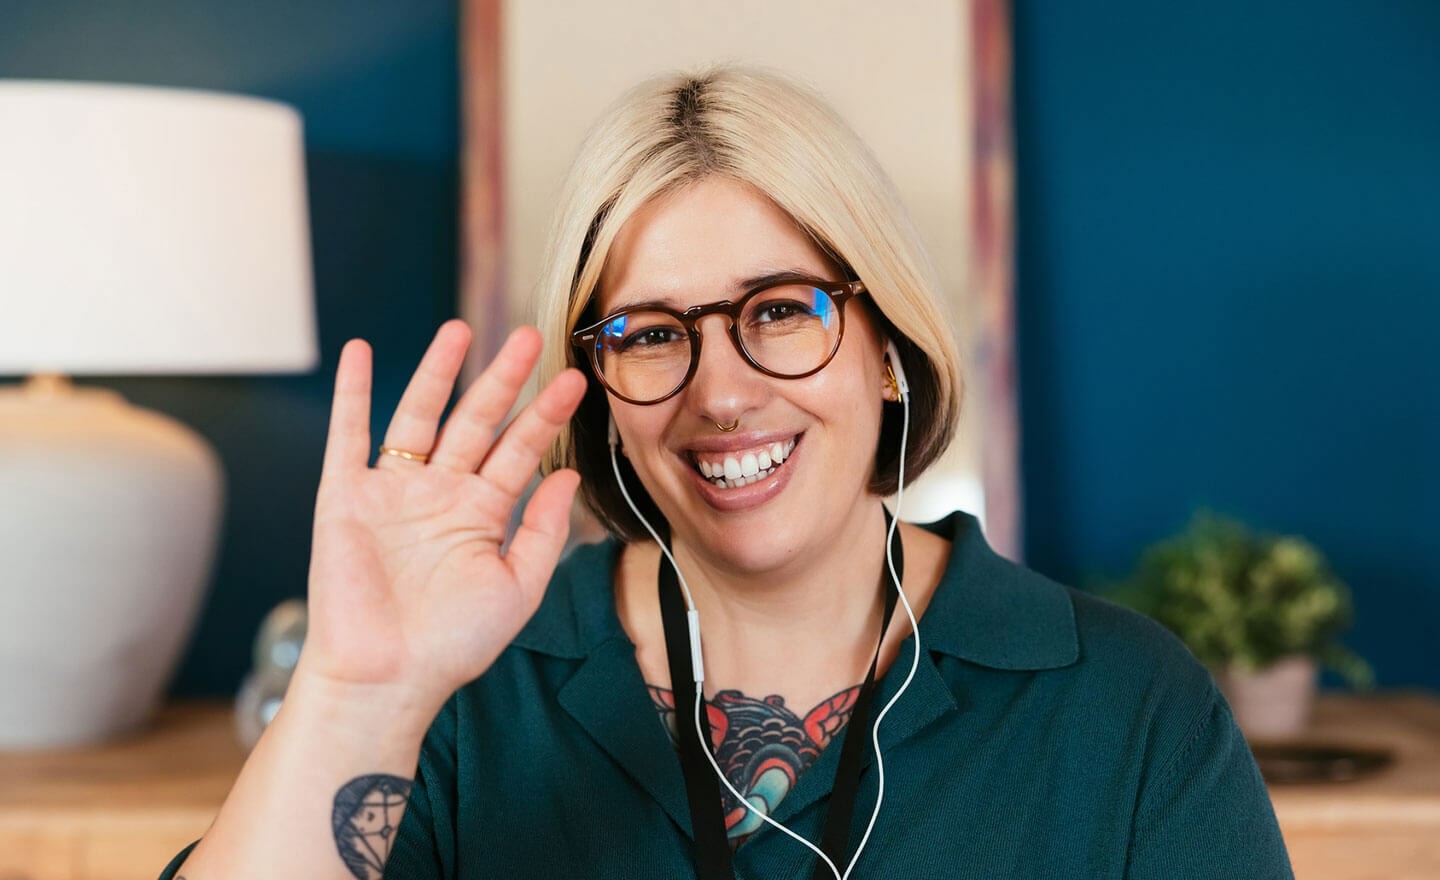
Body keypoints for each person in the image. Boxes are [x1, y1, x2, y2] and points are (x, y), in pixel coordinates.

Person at [161, 67, 1293, 880]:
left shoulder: (1127, 707)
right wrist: (356, 694)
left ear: (886, 345)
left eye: (780, 310)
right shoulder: (471, 691)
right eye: (653, 334)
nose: (721, 393)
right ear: (600, 388)